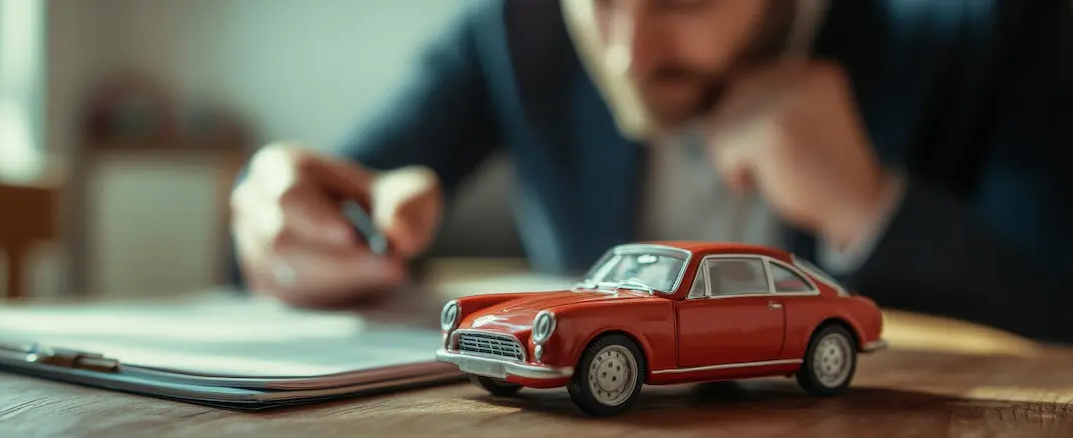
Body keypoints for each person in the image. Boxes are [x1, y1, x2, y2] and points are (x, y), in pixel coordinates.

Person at [230, 0, 1073, 342]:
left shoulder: (989, 29)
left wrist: (867, 205)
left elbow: (1058, 306)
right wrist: (287, 222)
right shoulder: (517, 28)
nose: (628, 53)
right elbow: (319, 204)